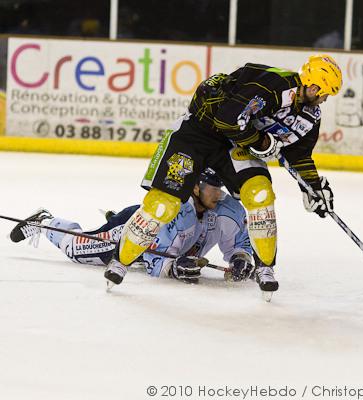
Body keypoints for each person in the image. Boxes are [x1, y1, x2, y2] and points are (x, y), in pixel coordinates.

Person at [104, 54, 343, 295]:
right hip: (197, 133)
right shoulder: (272, 84)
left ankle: (265, 268)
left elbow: (298, 155)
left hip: (234, 145)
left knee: (260, 193)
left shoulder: (310, 115)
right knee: (162, 205)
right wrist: (261, 142)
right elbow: (227, 119)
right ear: (313, 86)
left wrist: (313, 187)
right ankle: (120, 261)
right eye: (324, 93)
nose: (324, 99)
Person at [9, 169, 254, 284]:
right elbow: (154, 262)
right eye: (212, 187)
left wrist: (240, 259)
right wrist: (175, 268)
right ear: (195, 187)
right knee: (76, 248)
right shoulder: (179, 211)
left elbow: (239, 244)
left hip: (159, 242)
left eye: (219, 187)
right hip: (132, 229)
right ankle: (45, 222)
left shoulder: (227, 210)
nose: (218, 193)